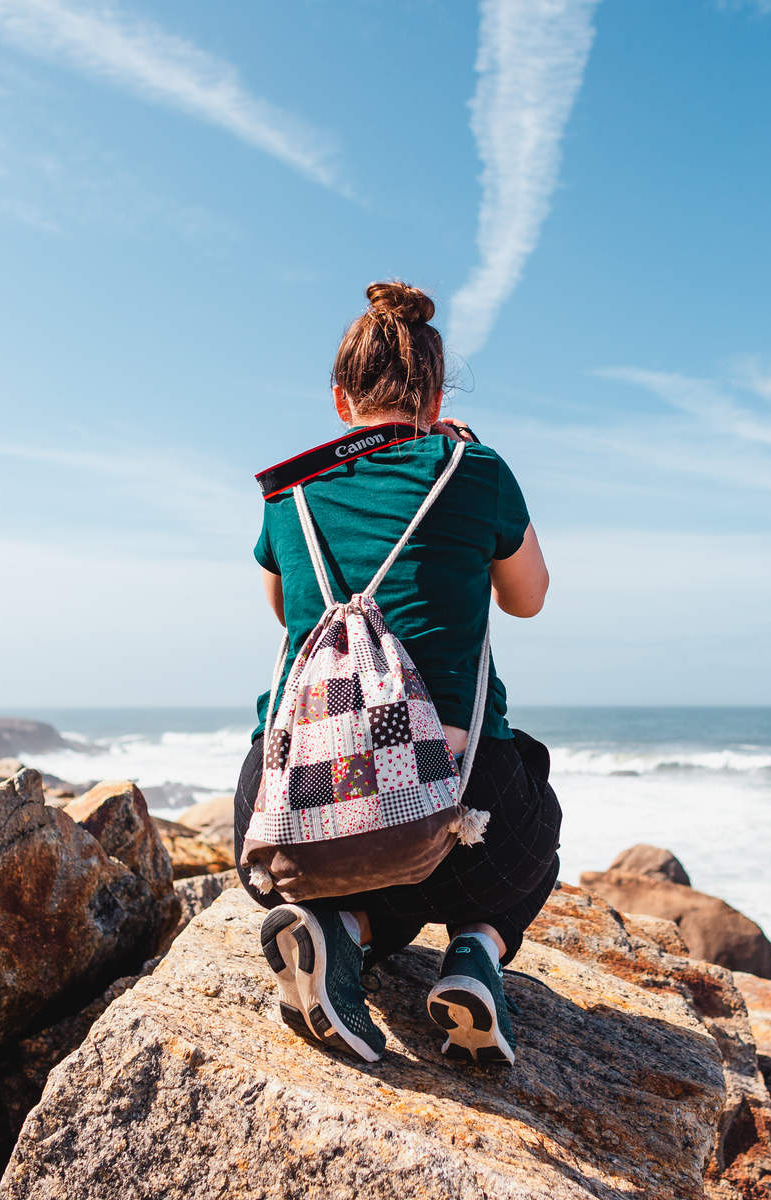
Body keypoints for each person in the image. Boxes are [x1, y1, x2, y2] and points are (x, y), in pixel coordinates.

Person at [233, 280, 560, 1066]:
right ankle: (477, 954)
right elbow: (529, 600)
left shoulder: (290, 495)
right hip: (451, 798)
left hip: (287, 806)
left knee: (368, 845)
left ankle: (337, 930)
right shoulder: (476, 471)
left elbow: (286, 616)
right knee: (526, 806)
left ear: (341, 399)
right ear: (438, 394)